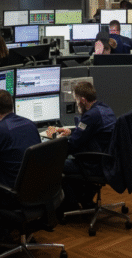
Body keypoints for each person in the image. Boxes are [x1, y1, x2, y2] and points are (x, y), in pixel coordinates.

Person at [47, 81, 116, 210]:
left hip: (94, 164)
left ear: (83, 100)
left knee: (54, 165)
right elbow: (88, 133)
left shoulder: (90, 116)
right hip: (107, 160)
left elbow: (73, 145)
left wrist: (55, 138)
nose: (76, 103)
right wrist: (71, 132)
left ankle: (70, 206)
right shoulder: (104, 108)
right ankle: (84, 199)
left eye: (76, 100)